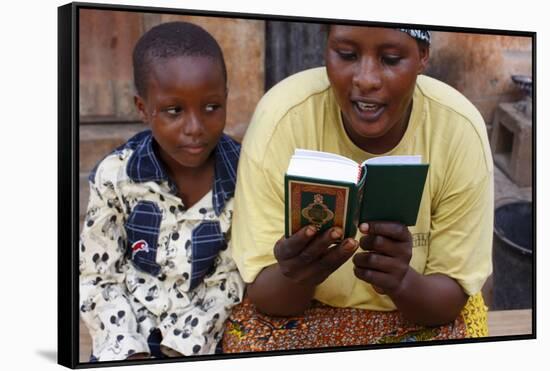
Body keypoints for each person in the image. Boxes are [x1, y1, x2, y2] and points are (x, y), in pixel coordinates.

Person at [223, 25, 493, 351]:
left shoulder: (458, 130)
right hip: (305, 312)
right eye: (347, 55)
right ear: (326, 49)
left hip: (416, 315)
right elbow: (265, 295)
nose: (366, 79)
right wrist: (300, 274)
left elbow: (449, 300)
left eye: (391, 59)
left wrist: (402, 280)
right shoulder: (282, 118)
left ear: (422, 57)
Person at [79, 21, 244, 361]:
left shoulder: (245, 177)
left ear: (226, 99)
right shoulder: (116, 177)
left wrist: (185, 345)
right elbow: (98, 276)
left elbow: (233, 277)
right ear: (143, 109)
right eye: (174, 111)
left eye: (211, 107)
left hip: (205, 339)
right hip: (127, 337)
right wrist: (128, 350)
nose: (195, 128)